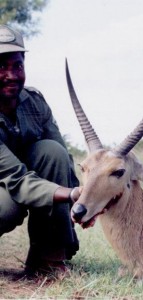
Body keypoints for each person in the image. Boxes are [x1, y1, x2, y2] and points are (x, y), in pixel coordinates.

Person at [0, 24, 80, 275]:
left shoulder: (34, 102)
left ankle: (48, 259)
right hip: (11, 186)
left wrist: (79, 206)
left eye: (17, 65)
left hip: (16, 182)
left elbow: (63, 161)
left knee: (52, 151)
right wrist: (71, 194)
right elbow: (18, 180)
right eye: (1, 66)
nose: (11, 75)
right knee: (8, 207)